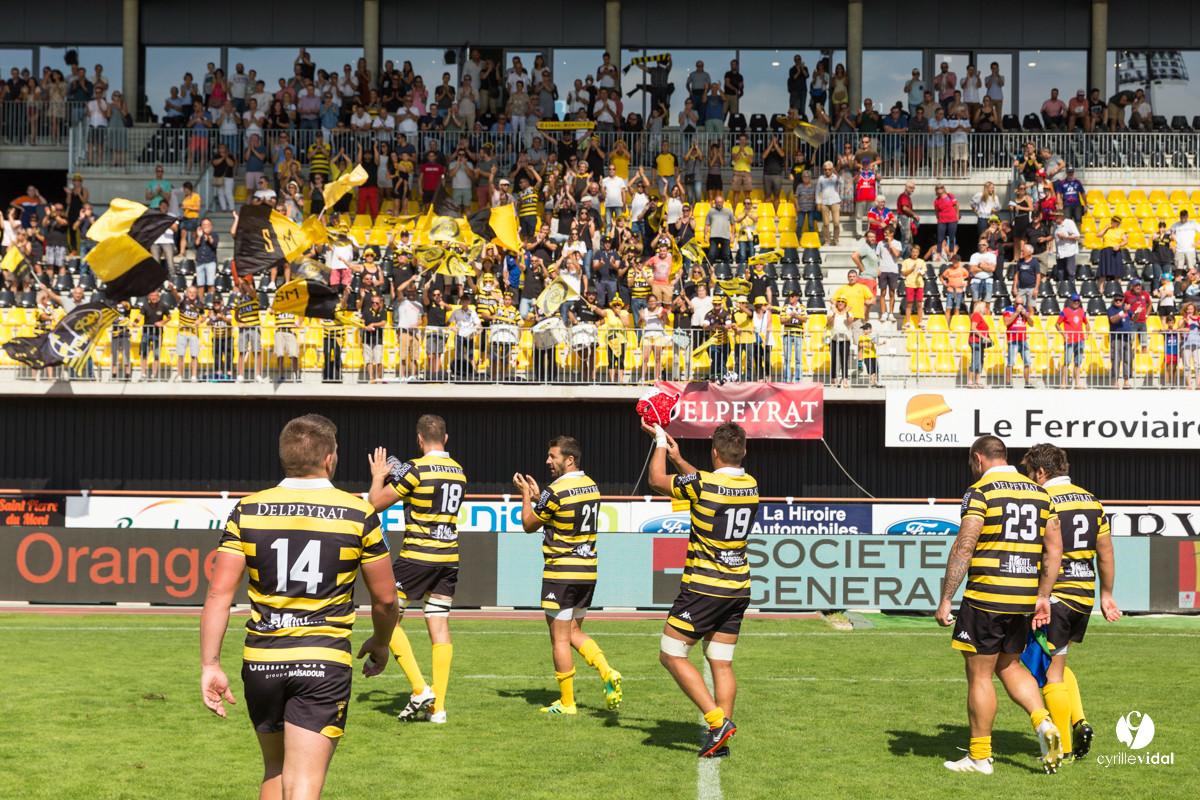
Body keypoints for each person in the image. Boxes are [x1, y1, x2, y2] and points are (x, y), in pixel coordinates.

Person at [200, 414, 398, 800]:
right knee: (305, 783)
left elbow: (218, 596)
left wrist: (210, 664)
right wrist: (381, 641)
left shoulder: (247, 509)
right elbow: (386, 599)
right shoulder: (358, 513)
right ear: (329, 459)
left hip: (262, 662)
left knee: (275, 771)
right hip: (322, 662)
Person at [935, 435, 1064, 775]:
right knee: (1009, 666)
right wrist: (1042, 596)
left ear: (978, 459)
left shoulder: (980, 492)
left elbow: (965, 546)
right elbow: (1054, 549)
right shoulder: (1040, 493)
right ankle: (1044, 725)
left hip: (987, 596)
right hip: (1022, 600)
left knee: (979, 675)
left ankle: (980, 757)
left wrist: (947, 598)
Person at [641, 420, 757, 759]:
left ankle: (716, 721)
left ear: (714, 452)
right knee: (721, 662)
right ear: (744, 452)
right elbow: (707, 483)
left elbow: (655, 481)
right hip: (738, 586)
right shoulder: (751, 484)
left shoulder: (704, 484)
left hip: (704, 586)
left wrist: (661, 440)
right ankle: (721, 738)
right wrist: (680, 460)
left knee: (670, 653)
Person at [1020, 443, 1121, 762]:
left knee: (1047, 672)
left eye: (1030, 475)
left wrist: (1040, 595)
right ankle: (1080, 723)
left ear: (1041, 472)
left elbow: (1041, 549)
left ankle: (1060, 749)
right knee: (1057, 665)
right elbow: (1105, 552)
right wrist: (1106, 594)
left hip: (1054, 596)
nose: (1029, 481)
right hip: (1083, 596)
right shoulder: (1092, 500)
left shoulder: (1042, 499)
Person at [364, 414, 467, 725]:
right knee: (439, 628)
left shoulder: (414, 467)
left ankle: (420, 689)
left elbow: (375, 503)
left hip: (417, 556)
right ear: (445, 439)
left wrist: (379, 475)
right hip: (449, 557)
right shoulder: (459, 471)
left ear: (420, 440)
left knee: (388, 616)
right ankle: (439, 709)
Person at [512, 437, 623, 715]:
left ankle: (567, 703)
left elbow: (528, 524)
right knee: (574, 632)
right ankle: (606, 670)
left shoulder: (556, 490)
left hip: (561, 571)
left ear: (569, 459)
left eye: (553, 456)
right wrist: (541, 499)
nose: (548, 462)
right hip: (588, 570)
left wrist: (527, 495)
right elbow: (562, 512)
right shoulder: (591, 486)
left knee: (559, 638)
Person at [231, 278, 264, 383]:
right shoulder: (238, 300)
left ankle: (258, 375)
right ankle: (240, 375)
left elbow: (250, 291)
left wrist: (243, 282)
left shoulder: (253, 295)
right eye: (240, 285)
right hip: (244, 328)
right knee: (242, 351)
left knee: (256, 351)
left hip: (254, 326)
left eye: (243, 285)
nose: (241, 287)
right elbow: (236, 315)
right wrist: (238, 322)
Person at [1003, 302, 1033, 387]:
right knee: (1011, 362)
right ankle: (1008, 383)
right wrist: (1016, 313)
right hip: (1012, 340)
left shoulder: (1025, 310)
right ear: (1014, 303)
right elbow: (1006, 322)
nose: (1020, 305)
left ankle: (1027, 383)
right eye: (1017, 303)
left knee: (1027, 362)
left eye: (1021, 304)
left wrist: (1026, 315)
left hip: (1023, 339)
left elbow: (1032, 324)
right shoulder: (1008, 309)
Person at [966, 300, 992, 388]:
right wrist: (984, 337)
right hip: (975, 341)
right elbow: (973, 328)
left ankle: (977, 381)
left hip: (979, 342)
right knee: (976, 360)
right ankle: (970, 382)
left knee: (980, 361)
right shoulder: (976, 315)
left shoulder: (980, 317)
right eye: (985, 307)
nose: (986, 309)